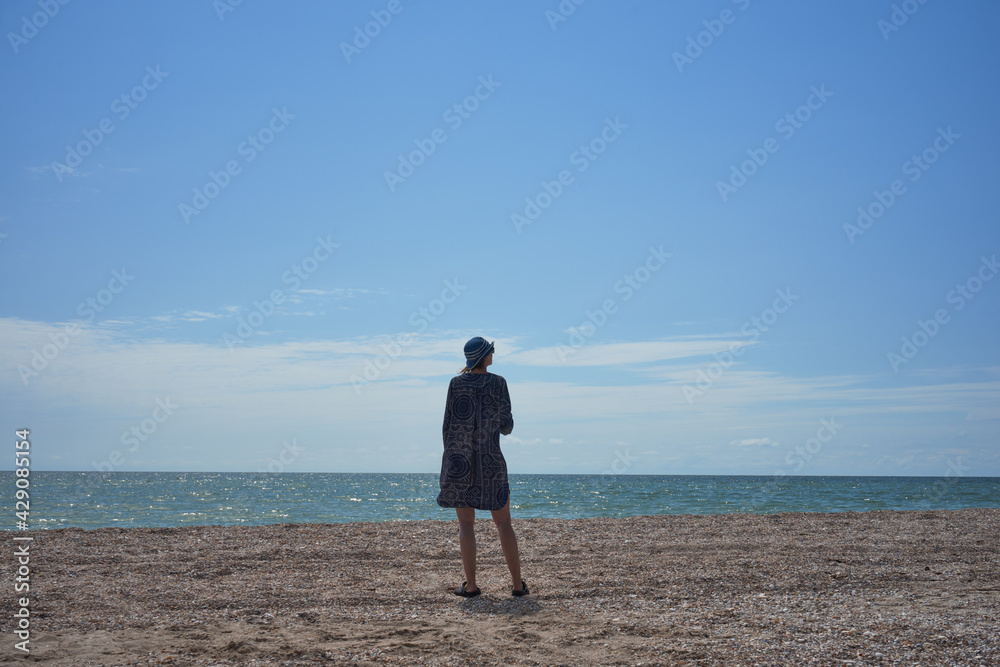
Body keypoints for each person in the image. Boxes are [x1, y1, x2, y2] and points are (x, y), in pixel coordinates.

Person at [437, 337, 528, 598]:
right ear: (484, 356)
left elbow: (447, 425)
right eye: (491, 351)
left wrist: (452, 459)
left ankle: (472, 585)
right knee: (504, 523)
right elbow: (507, 427)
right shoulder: (498, 383)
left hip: (459, 461)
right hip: (491, 460)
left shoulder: (455, 384)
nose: (494, 354)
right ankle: (517, 585)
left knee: (466, 525)